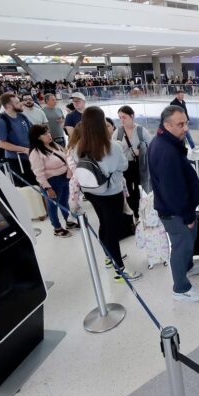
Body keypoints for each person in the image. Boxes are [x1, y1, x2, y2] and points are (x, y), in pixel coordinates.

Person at [74, 106, 142, 282]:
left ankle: (108, 256)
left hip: (90, 192)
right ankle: (119, 270)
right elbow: (124, 166)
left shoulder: (78, 147)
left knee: (104, 223)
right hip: (111, 193)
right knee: (112, 229)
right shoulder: (112, 146)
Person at [148, 105, 199, 302]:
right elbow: (173, 191)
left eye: (186, 123)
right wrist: (188, 216)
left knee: (188, 242)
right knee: (181, 246)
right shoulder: (166, 150)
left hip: (179, 209)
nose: (185, 128)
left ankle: (187, 267)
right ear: (167, 125)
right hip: (176, 213)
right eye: (180, 125)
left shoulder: (167, 143)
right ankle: (181, 288)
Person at [27, 124, 77, 238]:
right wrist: (47, 187)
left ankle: (68, 221)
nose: (49, 135)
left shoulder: (54, 145)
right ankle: (57, 228)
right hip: (52, 182)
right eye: (45, 134)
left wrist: (69, 174)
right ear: (37, 137)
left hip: (64, 178)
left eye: (48, 132)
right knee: (53, 206)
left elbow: (66, 158)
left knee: (64, 202)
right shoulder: (36, 152)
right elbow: (38, 172)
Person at [116, 105, 153, 220]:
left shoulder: (141, 130)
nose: (122, 120)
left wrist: (141, 150)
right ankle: (135, 213)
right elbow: (112, 148)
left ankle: (143, 212)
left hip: (140, 164)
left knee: (141, 188)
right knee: (128, 190)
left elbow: (152, 146)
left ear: (132, 116)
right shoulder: (118, 132)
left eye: (124, 117)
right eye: (120, 117)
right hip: (125, 166)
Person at [0, 93, 36, 186]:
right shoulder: (0, 121)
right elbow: (1, 143)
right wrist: (24, 149)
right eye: (17, 103)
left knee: (37, 184)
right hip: (17, 161)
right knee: (27, 189)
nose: (21, 103)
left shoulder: (22, 116)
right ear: (9, 106)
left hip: (31, 157)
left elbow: (33, 131)